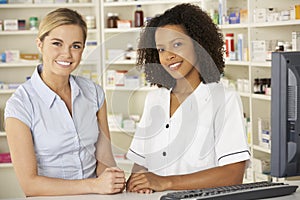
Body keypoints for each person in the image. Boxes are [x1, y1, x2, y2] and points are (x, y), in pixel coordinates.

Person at [126, 3, 251, 193]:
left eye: (177, 44)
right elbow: (140, 166)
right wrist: (138, 185)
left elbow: (233, 174)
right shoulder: (155, 100)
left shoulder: (224, 99)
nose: (168, 56)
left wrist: (165, 182)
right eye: (161, 49)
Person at [4, 8, 125, 197]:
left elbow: (105, 160)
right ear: (40, 44)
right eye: (57, 44)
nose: (67, 54)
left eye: (75, 46)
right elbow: (30, 184)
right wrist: (94, 186)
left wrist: (114, 182)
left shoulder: (93, 93)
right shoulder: (20, 105)